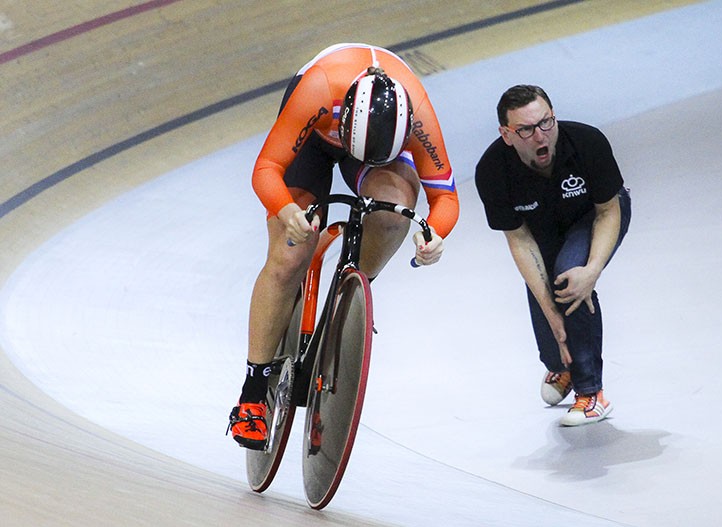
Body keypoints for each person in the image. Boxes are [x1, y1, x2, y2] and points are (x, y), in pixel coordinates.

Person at [227, 43, 459, 449]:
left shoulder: (417, 112)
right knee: (289, 254)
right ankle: (252, 393)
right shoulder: (317, 88)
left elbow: (446, 198)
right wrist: (286, 213)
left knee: (392, 216)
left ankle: (351, 295)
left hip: (379, 149)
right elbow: (266, 169)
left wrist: (435, 234)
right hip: (316, 134)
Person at [474, 85, 630, 426]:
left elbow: (608, 211)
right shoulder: (491, 170)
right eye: (526, 130)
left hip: (596, 215)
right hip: (543, 225)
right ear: (506, 134)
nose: (540, 135)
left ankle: (591, 394)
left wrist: (592, 269)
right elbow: (519, 240)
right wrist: (551, 316)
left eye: (546, 123)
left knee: (569, 276)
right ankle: (562, 367)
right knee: (548, 306)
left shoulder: (588, 142)